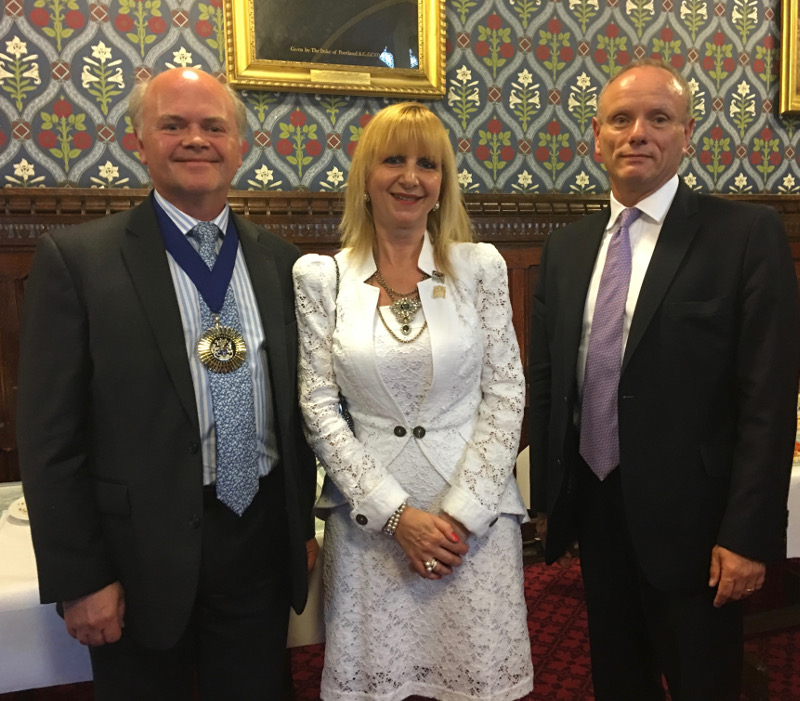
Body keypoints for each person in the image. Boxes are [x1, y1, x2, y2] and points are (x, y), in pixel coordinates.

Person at [16, 68, 318, 700]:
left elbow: (298, 411)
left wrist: (300, 530)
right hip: (138, 553)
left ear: (240, 145)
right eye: (173, 125)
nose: (196, 139)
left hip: (257, 537)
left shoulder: (283, 262)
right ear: (139, 140)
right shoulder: (79, 261)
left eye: (214, 126)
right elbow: (50, 439)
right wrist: (80, 577)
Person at [529, 59, 800, 701]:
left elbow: (768, 398)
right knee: (618, 682)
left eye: (658, 118)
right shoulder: (566, 248)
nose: (638, 134)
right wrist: (547, 498)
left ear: (686, 135)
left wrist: (747, 536)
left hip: (699, 527)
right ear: (597, 137)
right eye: (620, 120)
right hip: (596, 511)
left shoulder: (743, 235)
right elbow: (546, 383)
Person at [293, 102, 534, 701]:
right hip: (370, 525)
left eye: (428, 164)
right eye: (393, 160)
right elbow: (318, 406)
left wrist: (460, 515)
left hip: (471, 525)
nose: (410, 177)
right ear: (365, 176)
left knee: (475, 679)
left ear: (443, 182)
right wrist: (396, 516)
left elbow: (507, 391)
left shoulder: (479, 267)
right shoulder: (322, 278)